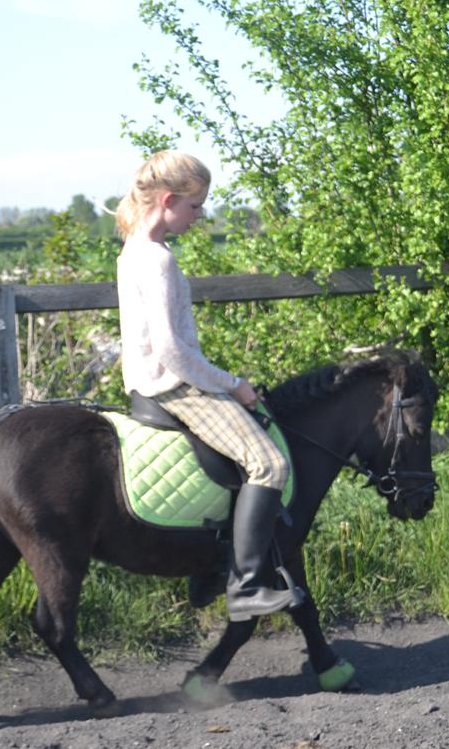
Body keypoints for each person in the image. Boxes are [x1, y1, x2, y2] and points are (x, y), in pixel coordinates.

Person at [114, 150, 301, 621]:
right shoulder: (156, 259)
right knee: (270, 464)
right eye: (196, 207)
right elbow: (173, 352)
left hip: (148, 383)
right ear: (169, 200)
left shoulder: (133, 247)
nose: (201, 216)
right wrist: (233, 383)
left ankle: (214, 568)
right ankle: (249, 587)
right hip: (174, 386)